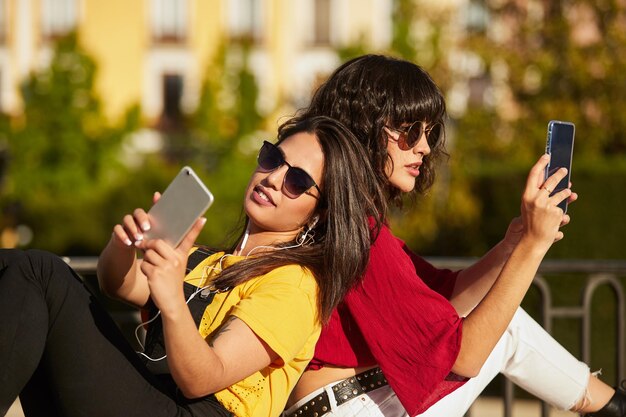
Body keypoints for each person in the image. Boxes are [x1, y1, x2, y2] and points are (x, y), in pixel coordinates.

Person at [283, 55, 626, 417]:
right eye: (411, 131)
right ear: (364, 128)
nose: (424, 147)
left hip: (346, 403)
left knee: (499, 322)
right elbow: (464, 358)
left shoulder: (347, 219)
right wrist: (533, 245)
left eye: (429, 133)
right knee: (503, 329)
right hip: (346, 408)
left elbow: (443, 296)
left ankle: (613, 407)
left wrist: (513, 242)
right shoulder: (353, 231)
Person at [0, 115, 382, 417]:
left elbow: (205, 378)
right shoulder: (209, 261)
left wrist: (172, 301)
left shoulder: (295, 285)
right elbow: (119, 284)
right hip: (153, 396)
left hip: (195, 410)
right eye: (272, 159)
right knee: (26, 274)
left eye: (297, 181)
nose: (273, 178)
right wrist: (124, 244)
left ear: (319, 212)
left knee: (42, 272)